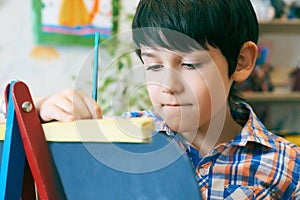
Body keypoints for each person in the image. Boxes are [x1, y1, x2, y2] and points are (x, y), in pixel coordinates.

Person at [1, 0, 299, 199]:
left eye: (189, 65)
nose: (167, 85)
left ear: (242, 61)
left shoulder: (287, 165)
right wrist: (39, 109)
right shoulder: (121, 140)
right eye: (154, 65)